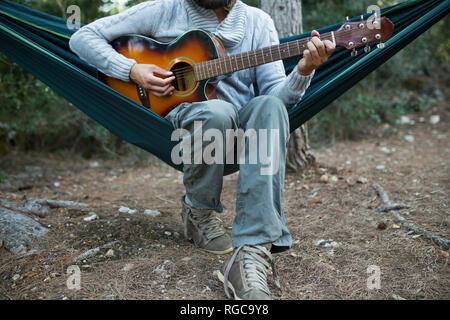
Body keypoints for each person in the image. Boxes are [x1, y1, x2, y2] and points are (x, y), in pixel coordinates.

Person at [70, 0, 335, 300]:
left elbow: (278, 96)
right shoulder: (165, 10)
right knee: (216, 112)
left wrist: (303, 70)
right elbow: (81, 38)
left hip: (240, 134)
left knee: (270, 106)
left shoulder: (258, 23)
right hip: (179, 130)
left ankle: (252, 250)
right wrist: (132, 70)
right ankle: (198, 210)